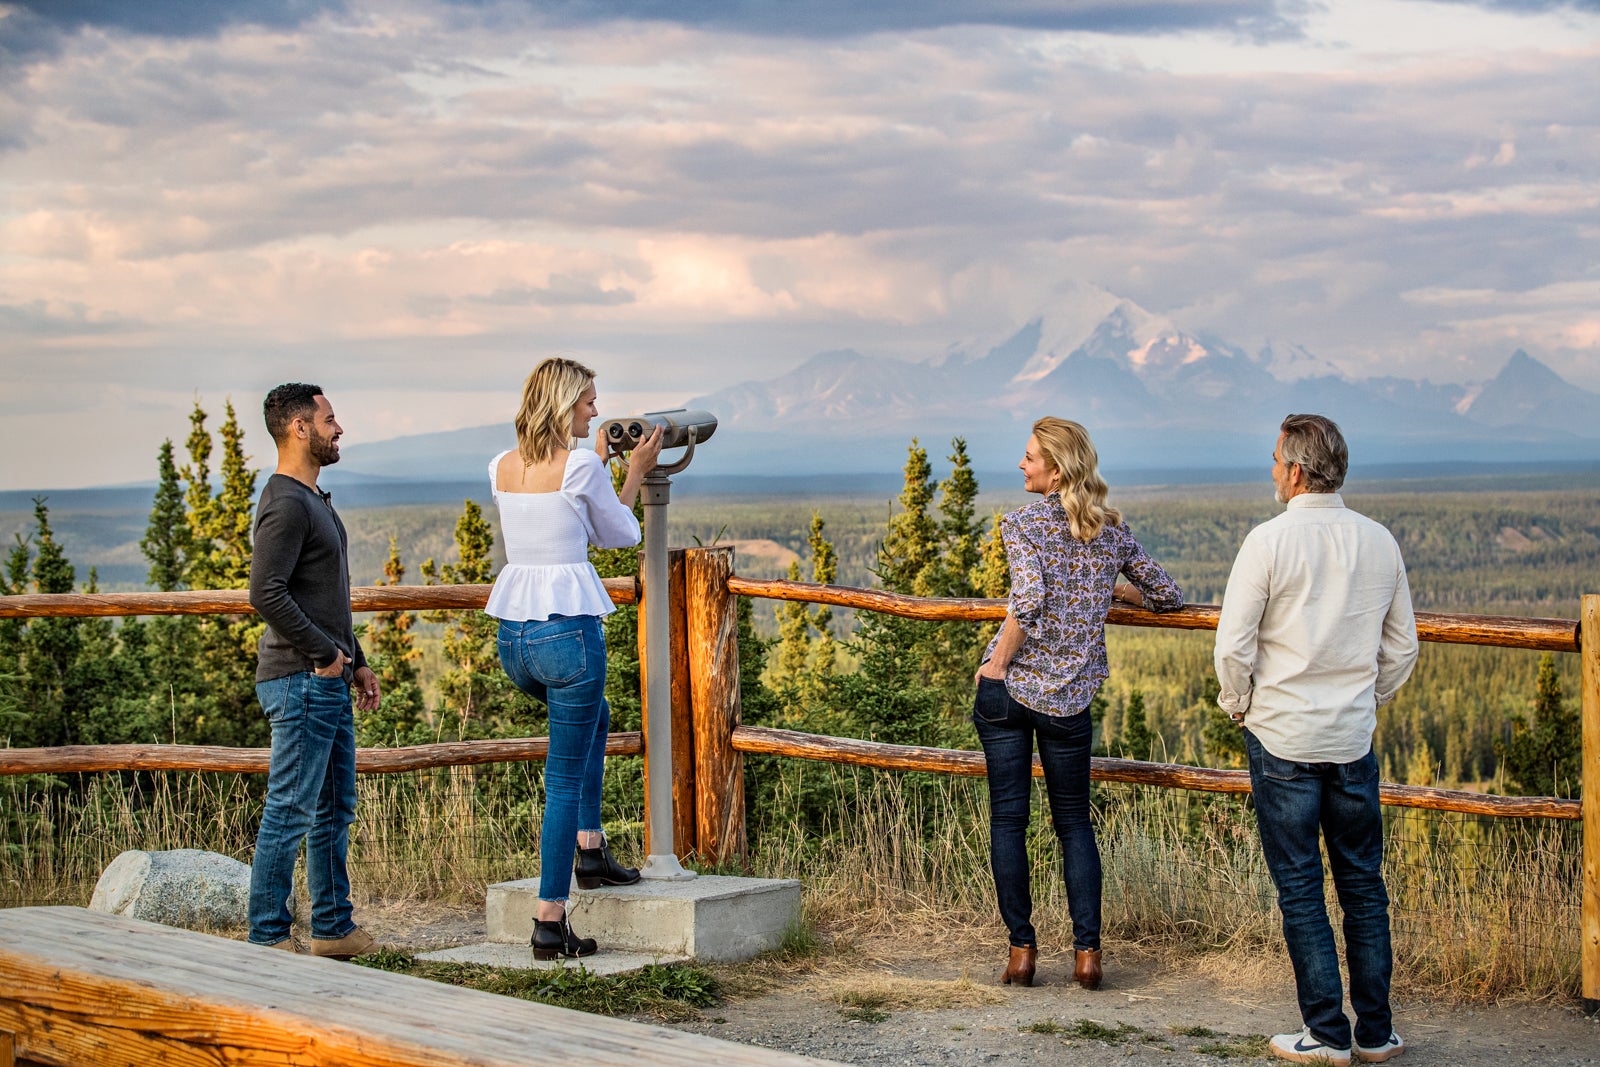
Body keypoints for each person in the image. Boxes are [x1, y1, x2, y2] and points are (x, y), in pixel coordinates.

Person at [1214, 414, 1417, 1066]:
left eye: (1277, 460)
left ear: (1297, 471)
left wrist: (1239, 704)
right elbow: (1403, 646)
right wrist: (1369, 699)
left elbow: (1233, 647)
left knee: (1300, 888)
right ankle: (1376, 1031)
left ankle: (1326, 1033)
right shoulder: (1379, 541)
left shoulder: (1267, 543)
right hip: (1352, 741)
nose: (1272, 470)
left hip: (1282, 740)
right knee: (1363, 886)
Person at [974, 417, 1182, 990]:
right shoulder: (1111, 532)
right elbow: (1167, 595)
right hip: (1070, 700)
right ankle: (1087, 957)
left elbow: (1030, 600)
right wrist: (1114, 585)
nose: (1021, 465)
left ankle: (1022, 952)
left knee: (1009, 821)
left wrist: (995, 666)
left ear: (1056, 470)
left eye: (1029, 457)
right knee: (1073, 825)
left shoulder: (1020, 525)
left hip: (1011, 693)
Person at [485, 357, 664, 960]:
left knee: (598, 716)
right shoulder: (583, 464)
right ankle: (549, 920)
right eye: (588, 401)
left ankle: (591, 849)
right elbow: (619, 534)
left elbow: (557, 518)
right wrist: (634, 472)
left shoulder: (503, 466)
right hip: (567, 632)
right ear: (565, 405)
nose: (595, 410)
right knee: (561, 779)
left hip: (516, 639)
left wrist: (602, 470)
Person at [247, 383, 380, 958]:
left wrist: (357, 662)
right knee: (291, 809)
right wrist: (326, 656)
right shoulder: (285, 501)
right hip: (301, 679)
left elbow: (327, 595)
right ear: (300, 428)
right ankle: (269, 938)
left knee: (331, 808)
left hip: (325, 677)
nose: (338, 428)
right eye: (329, 419)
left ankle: (332, 930)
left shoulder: (311, 498)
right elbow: (266, 592)